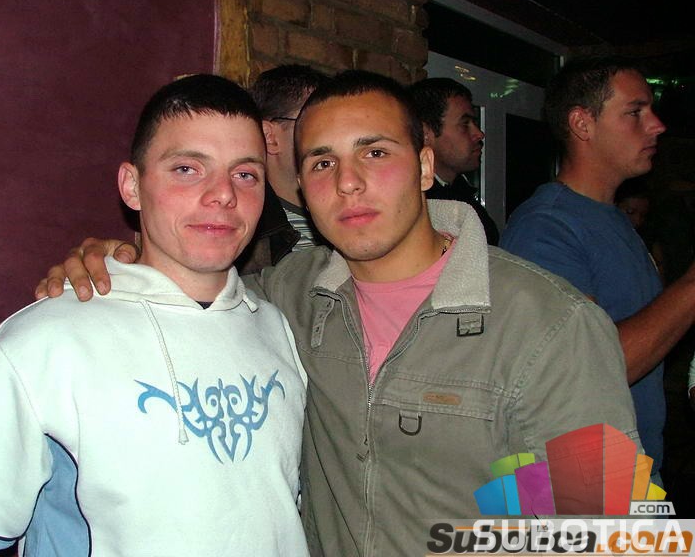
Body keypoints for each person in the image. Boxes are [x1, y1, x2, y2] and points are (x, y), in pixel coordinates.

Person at [36, 70, 640, 556]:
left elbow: (599, 530)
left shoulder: (548, 326)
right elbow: (187, 284)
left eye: (374, 152)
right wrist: (119, 260)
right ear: (301, 186)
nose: (348, 183)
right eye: (323, 163)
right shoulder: (287, 297)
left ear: (424, 167)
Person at [0, 75, 309, 556]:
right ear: (132, 186)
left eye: (245, 175)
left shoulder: (277, 329)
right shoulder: (45, 341)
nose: (223, 194)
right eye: (187, 169)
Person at [501, 55, 695, 486]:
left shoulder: (613, 219)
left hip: (632, 473)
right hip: (581, 486)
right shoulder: (546, 228)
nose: (657, 125)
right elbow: (590, 370)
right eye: (635, 112)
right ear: (582, 124)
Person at [234, 64, 330, 273]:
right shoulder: (240, 226)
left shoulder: (345, 209)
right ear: (269, 137)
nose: (329, 135)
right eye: (313, 122)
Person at [409, 77, 500, 244]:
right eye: (465, 124)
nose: (479, 134)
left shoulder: (460, 192)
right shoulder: (415, 206)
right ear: (425, 134)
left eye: (475, 123)